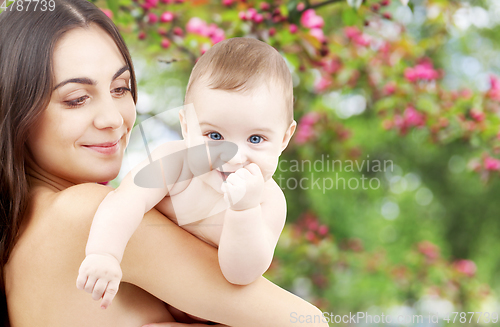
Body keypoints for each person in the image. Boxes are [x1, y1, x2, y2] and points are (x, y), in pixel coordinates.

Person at [0, 1, 328, 326]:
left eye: (120, 88)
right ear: (16, 110)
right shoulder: (88, 213)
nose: (113, 119)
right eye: (76, 99)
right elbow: (305, 322)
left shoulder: (17, 237)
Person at [77, 37, 297, 310]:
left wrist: (244, 211)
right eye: (214, 135)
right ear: (186, 126)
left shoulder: (267, 201)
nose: (233, 157)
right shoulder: (176, 162)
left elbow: (240, 275)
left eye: (255, 139)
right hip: (144, 296)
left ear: (285, 138)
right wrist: (104, 253)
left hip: (210, 312)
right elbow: (126, 200)